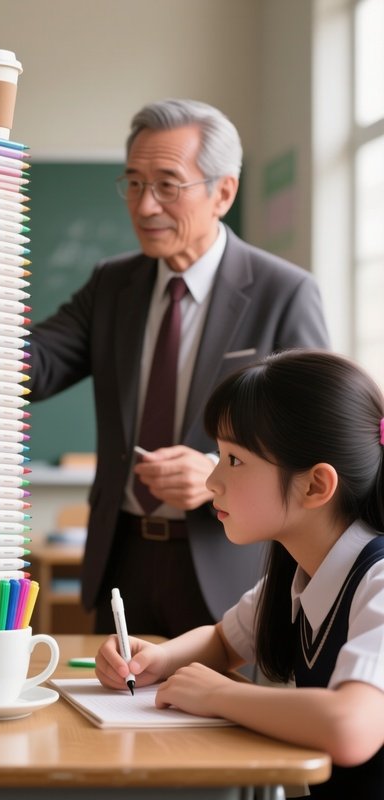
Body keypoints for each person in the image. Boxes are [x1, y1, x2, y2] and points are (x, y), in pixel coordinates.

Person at [29, 98, 330, 637]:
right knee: (109, 693)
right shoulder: (111, 285)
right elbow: (33, 368)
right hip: (121, 562)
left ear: (223, 192)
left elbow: (315, 438)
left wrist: (219, 469)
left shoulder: (284, 292)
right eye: (134, 184)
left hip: (234, 570)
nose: (145, 206)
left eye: (168, 185)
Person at [95, 350, 384, 799]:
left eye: (233, 459)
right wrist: (156, 660)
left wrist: (218, 695)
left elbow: (351, 728)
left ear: (314, 485)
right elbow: (223, 641)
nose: (211, 481)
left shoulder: (377, 580)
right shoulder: (302, 570)